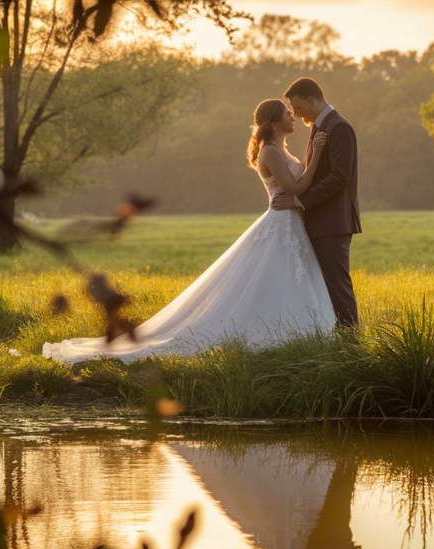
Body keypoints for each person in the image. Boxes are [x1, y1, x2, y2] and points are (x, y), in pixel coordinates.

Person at [42, 99, 335, 364]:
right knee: (271, 280)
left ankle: (299, 333)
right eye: (287, 113)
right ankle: (271, 335)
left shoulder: (282, 150)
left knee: (286, 280)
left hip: (292, 225)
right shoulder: (270, 152)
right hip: (280, 224)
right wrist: (319, 153)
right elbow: (296, 188)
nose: (293, 117)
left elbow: (298, 186)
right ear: (273, 122)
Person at [271, 78, 361, 328]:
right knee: (325, 285)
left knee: (337, 285)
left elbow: (340, 177)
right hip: (320, 221)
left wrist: (300, 200)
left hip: (333, 221)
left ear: (311, 100)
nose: (296, 116)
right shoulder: (319, 127)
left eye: (298, 108)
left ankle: (350, 342)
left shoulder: (339, 127)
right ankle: (334, 337)